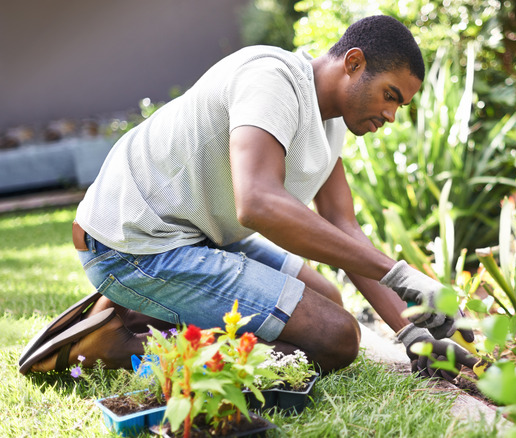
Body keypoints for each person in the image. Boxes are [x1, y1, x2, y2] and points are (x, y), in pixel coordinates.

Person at [18, 15, 476, 380]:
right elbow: (257, 203)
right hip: (133, 245)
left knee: (327, 297)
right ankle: (121, 345)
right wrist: (400, 274)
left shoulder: (331, 121)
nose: (391, 114)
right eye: (389, 95)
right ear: (353, 63)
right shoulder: (272, 79)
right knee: (335, 337)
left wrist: (412, 330)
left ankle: (138, 312)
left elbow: (343, 225)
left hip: (196, 236)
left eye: (401, 104)